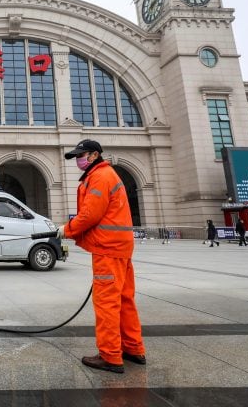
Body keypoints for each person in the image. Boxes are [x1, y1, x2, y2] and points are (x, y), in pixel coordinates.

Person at [58, 139, 146, 374]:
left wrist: (66, 230)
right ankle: (133, 348)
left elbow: (90, 214)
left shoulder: (100, 176)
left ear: (95, 154)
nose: (79, 160)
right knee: (124, 299)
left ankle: (110, 356)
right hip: (120, 248)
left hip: (108, 249)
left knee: (106, 302)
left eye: (82, 155)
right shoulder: (106, 174)